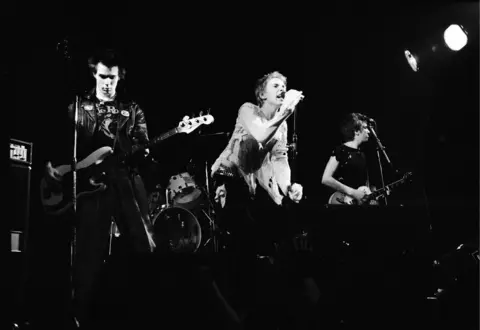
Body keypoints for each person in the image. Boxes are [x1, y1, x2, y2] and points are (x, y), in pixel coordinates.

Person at [43, 48, 155, 328]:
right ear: (94, 74)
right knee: (88, 253)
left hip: (124, 179)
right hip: (90, 186)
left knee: (141, 246)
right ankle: (82, 315)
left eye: (113, 78)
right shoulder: (79, 107)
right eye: (103, 76)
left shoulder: (132, 110)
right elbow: (60, 141)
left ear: (120, 78)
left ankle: (141, 312)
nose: (108, 82)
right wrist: (54, 166)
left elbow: (144, 145)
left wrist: (139, 151)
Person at [210, 71, 304, 312]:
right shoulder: (248, 110)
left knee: (267, 231)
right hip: (227, 175)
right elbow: (261, 133)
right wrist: (286, 112)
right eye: (276, 85)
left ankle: (259, 298)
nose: (282, 89)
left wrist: (289, 186)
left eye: (284, 85)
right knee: (241, 233)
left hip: (248, 183)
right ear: (262, 94)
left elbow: (280, 161)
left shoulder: (281, 127)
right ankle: (229, 297)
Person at [321, 112, 372, 205]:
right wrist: (352, 192)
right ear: (356, 131)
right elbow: (326, 179)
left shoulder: (362, 154)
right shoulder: (341, 151)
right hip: (341, 201)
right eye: (365, 127)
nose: (369, 131)